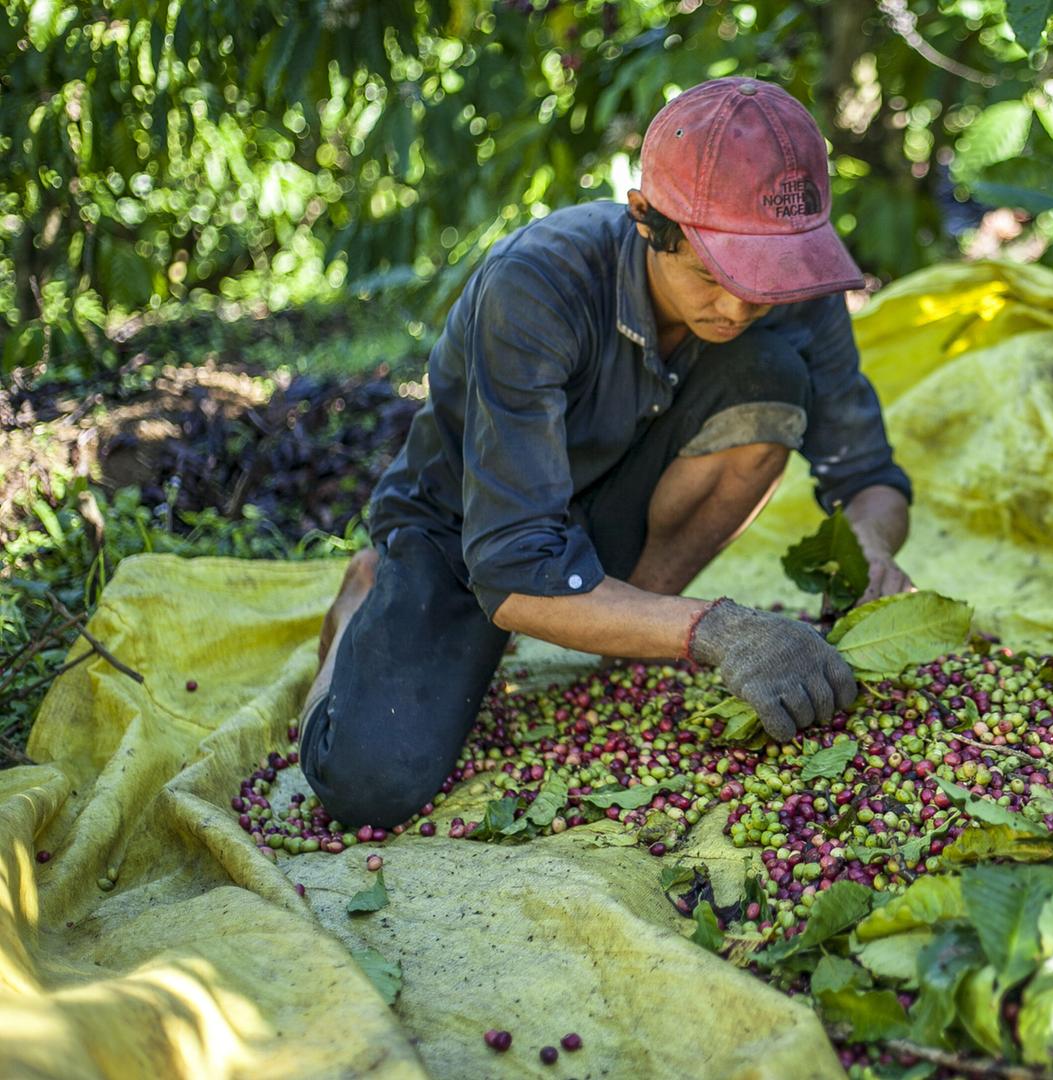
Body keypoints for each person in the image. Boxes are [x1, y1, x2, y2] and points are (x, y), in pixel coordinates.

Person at [296, 77, 914, 829]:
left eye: (767, 285)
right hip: (470, 530)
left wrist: (872, 552)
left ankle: (623, 623)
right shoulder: (539, 283)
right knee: (366, 786)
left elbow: (866, 475)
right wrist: (717, 630)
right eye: (714, 277)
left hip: (610, 504)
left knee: (771, 376)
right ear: (647, 220)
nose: (741, 307)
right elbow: (515, 569)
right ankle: (370, 588)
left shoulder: (794, 283)